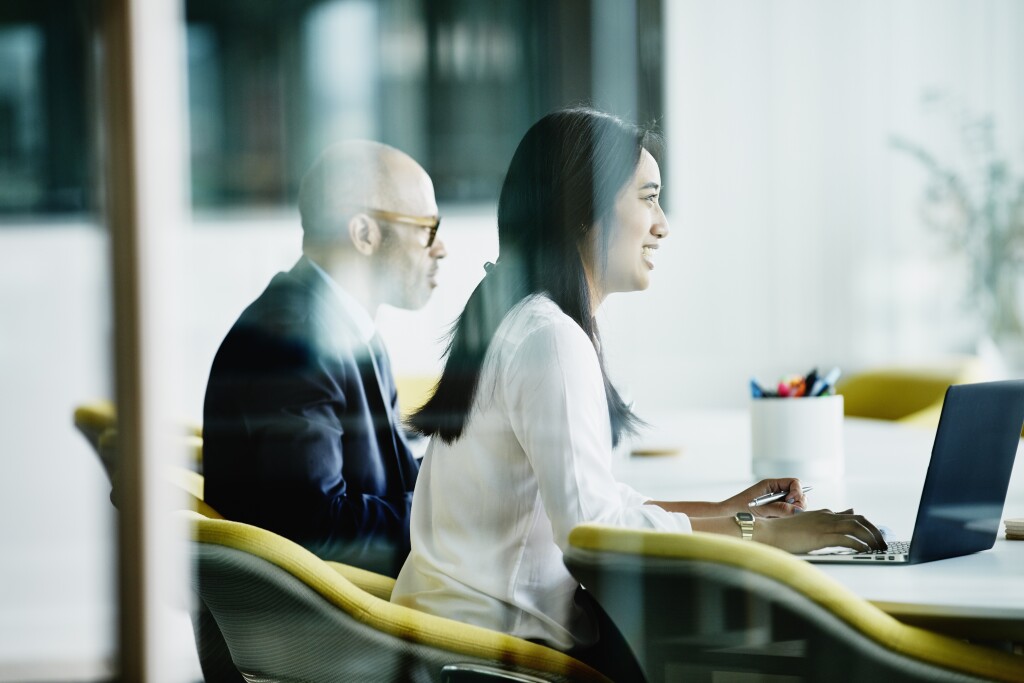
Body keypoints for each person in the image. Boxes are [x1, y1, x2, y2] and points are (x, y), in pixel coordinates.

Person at [390, 108, 885, 673]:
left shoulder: (522, 320)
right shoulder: (549, 337)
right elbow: (592, 534)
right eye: (648, 197)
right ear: (583, 212)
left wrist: (725, 513)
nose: (663, 224)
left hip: (458, 643)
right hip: (495, 662)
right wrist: (765, 535)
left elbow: (593, 506)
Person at [203, 140, 447, 577]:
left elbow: (388, 478)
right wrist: (454, 516)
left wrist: (473, 475)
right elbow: (318, 526)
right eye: (428, 228)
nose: (440, 248)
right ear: (364, 234)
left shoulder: (342, 328)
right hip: (333, 632)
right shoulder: (294, 342)